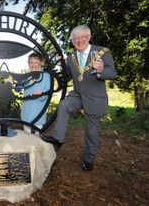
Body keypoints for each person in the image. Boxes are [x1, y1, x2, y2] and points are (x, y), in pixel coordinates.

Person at [45, 25, 117, 171]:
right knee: (64, 105)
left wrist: (102, 70)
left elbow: (112, 73)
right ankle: (58, 139)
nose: (79, 40)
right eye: (76, 38)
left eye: (82, 37)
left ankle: (88, 160)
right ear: (72, 42)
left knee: (92, 133)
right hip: (77, 96)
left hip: (95, 99)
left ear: (89, 37)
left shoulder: (102, 52)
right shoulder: (71, 58)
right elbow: (67, 78)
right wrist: (63, 66)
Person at [18, 52, 51, 134]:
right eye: (31, 62)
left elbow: (49, 92)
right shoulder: (25, 75)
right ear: (28, 64)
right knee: (26, 135)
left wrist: (42, 93)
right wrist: (17, 83)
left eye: (36, 62)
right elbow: (18, 90)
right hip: (27, 110)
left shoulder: (46, 76)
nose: (33, 65)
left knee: (37, 135)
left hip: (39, 109)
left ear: (40, 64)